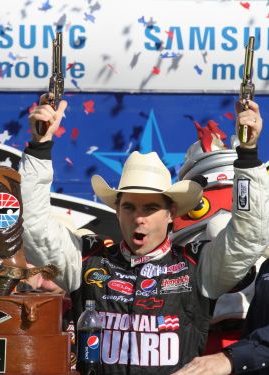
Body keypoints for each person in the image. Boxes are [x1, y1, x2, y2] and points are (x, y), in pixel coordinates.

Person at [19, 94, 269, 374]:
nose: (139, 218)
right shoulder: (87, 259)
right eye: (129, 207)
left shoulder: (197, 266)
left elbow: (249, 237)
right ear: (117, 210)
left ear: (171, 213)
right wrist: (39, 148)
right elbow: (34, 229)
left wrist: (248, 155)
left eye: (150, 208)